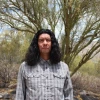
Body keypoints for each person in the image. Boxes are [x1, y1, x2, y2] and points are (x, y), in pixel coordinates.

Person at [15, 29, 73, 100]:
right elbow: (19, 95)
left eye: (48, 40)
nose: (45, 43)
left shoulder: (63, 67)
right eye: (41, 40)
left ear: (52, 43)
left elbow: (69, 95)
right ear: (37, 44)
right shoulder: (25, 67)